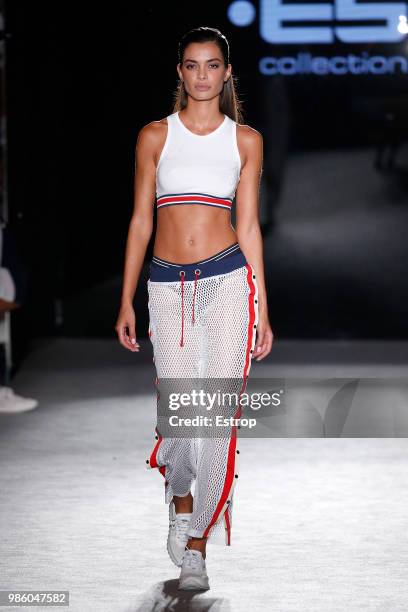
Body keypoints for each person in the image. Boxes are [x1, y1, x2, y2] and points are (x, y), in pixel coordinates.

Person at [115, 26, 273, 590]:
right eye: (191, 65)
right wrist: (126, 298)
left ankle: (199, 542)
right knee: (182, 422)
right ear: (179, 72)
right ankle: (180, 502)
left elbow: (249, 225)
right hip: (166, 287)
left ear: (227, 72)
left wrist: (265, 306)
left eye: (212, 65)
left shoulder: (245, 141)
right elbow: (140, 220)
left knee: (216, 420)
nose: (202, 75)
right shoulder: (155, 137)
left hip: (230, 282)